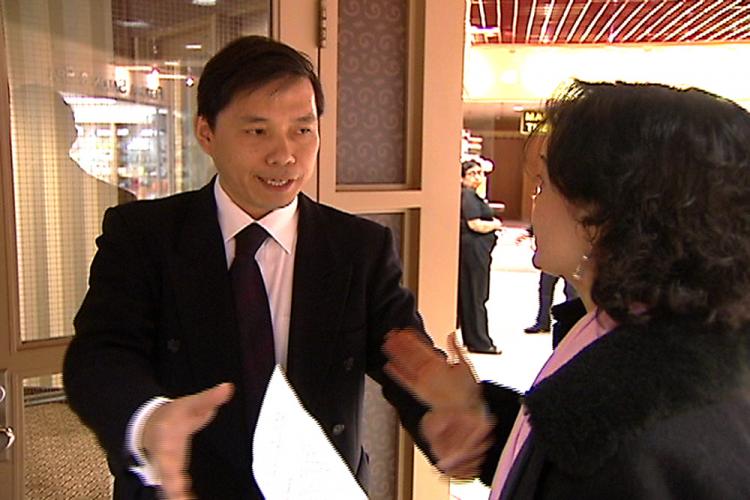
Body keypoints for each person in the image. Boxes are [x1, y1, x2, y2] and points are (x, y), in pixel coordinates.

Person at [63, 36, 470, 500]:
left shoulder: (358, 247)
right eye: (257, 131)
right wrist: (147, 418)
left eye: (303, 129)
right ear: (206, 133)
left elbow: (401, 355)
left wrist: (442, 410)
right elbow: (100, 355)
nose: (285, 155)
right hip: (184, 488)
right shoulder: (144, 235)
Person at [384, 80, 750, 499]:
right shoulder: (641, 340)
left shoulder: (641, 418)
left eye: (542, 185)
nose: (535, 206)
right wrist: (487, 420)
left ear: (602, 214)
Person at [458, 159, 503, 354]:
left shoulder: (474, 196)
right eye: (472, 173)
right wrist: (496, 224)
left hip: (477, 252)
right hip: (473, 252)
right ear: (462, 178)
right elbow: (475, 224)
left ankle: (476, 339)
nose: (478, 177)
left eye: (480, 173)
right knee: (475, 296)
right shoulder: (467, 196)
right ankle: (480, 342)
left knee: (475, 295)